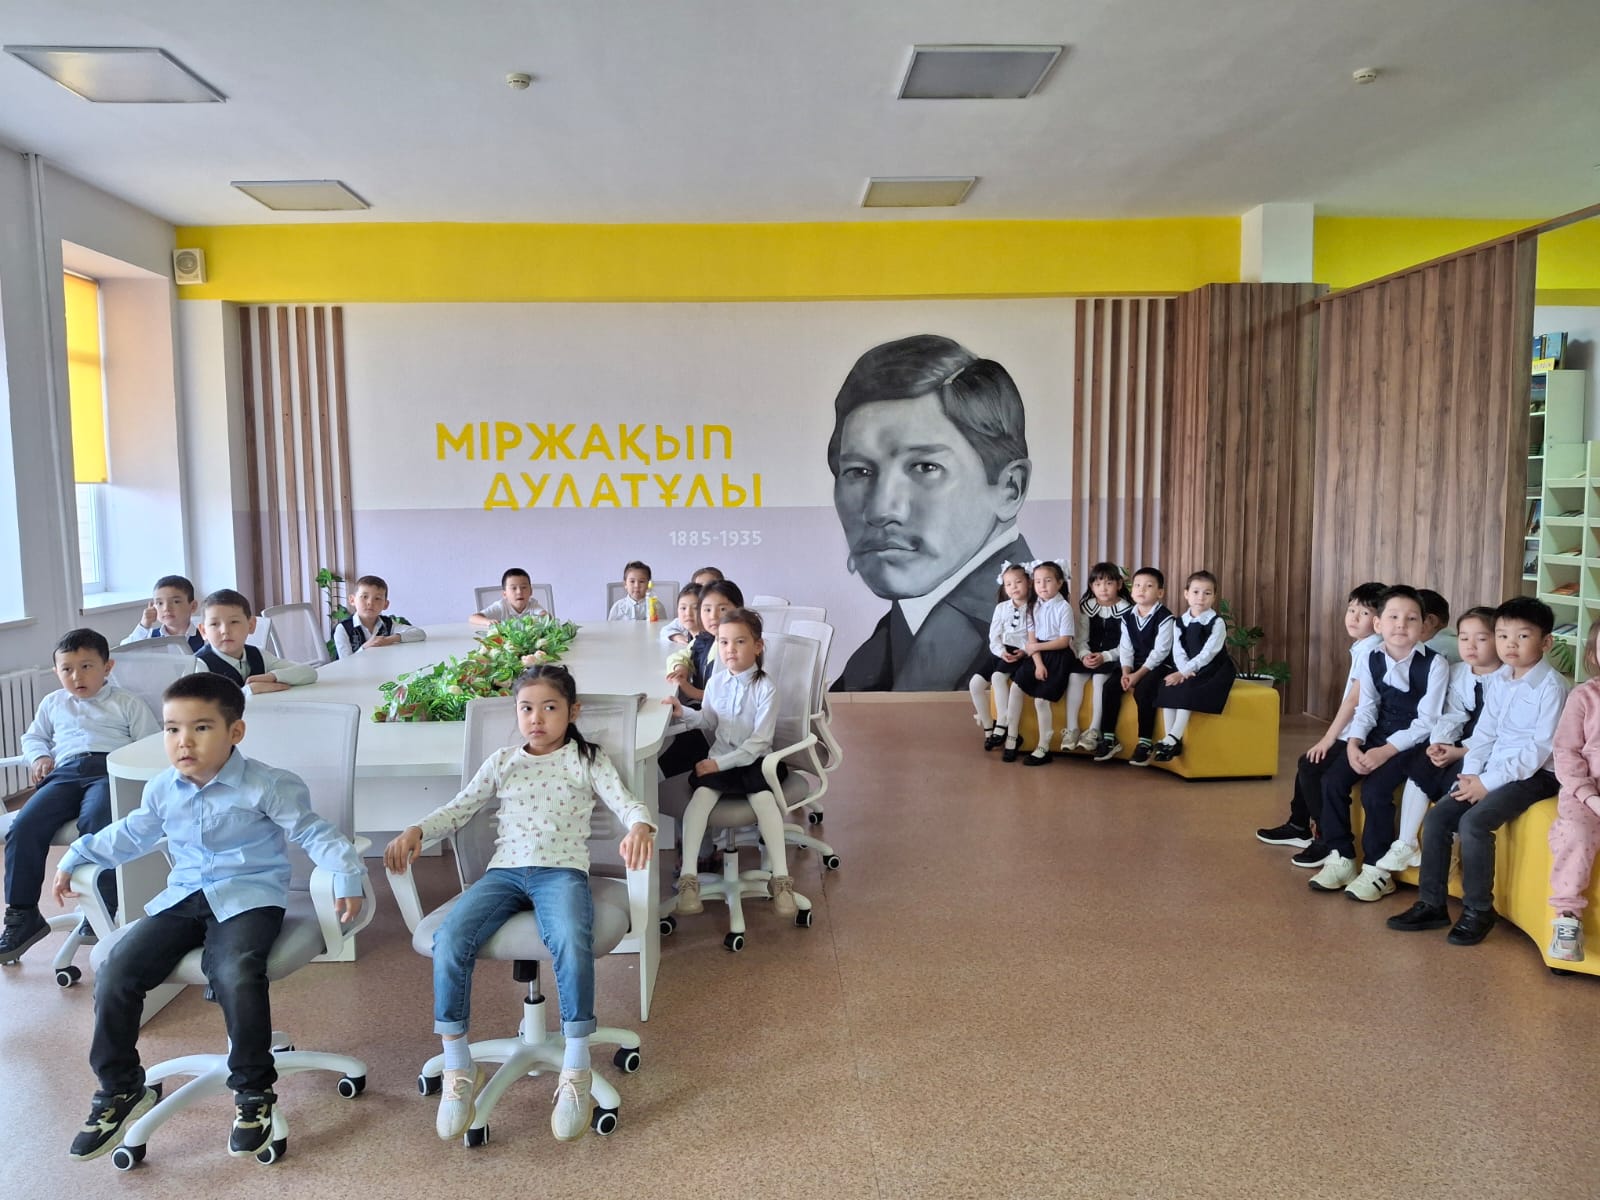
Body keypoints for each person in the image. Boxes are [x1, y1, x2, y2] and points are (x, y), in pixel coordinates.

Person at [53, 673, 366, 1161]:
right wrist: (78, 853)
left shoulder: (267, 784)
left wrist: (346, 874)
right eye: (172, 729)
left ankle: (253, 1091)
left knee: (235, 971)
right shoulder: (163, 788)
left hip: (249, 897)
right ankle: (120, 1087)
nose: (183, 741)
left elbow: (315, 833)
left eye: (200, 728)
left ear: (234, 732)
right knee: (116, 970)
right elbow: (130, 834)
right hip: (182, 898)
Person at [383, 665, 655, 1144]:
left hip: (560, 872)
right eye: (526, 708)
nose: (536, 718)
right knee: (452, 939)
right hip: (504, 874)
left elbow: (626, 802)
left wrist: (640, 826)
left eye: (549, 708)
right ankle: (459, 1068)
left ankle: (576, 1069)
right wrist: (417, 829)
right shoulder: (503, 760)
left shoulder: (586, 759)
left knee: (571, 939)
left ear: (572, 712)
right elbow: (459, 808)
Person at [828, 334, 1032, 692]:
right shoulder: (893, 633)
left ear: (1009, 487)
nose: (881, 510)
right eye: (859, 471)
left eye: (925, 467)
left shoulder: (1022, 631)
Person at [1386, 597, 1565, 941]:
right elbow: (1484, 735)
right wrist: (1470, 775)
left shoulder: (1552, 688)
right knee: (1438, 818)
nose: (1510, 645)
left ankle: (1479, 910)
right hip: (1493, 768)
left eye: (1523, 636)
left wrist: (1487, 783)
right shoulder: (1501, 680)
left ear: (1546, 642)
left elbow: (1537, 751)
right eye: (1503, 636)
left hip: (1536, 775)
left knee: (1474, 823)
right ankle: (1432, 904)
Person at [0, 630, 158, 964]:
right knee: (24, 826)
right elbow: (33, 737)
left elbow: (150, 743)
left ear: (107, 667)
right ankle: (22, 914)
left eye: (86, 666)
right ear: (56, 672)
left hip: (107, 769)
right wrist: (39, 756)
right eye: (67, 669)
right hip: (64, 773)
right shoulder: (53, 703)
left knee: (97, 820)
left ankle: (101, 904)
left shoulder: (126, 703)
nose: (76, 676)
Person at [1309, 585, 1448, 901]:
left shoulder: (1435, 664)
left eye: (1411, 618)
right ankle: (1342, 857)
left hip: (1412, 742)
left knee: (1375, 791)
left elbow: (1427, 722)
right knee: (1331, 780)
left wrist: (1385, 751)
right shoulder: (1371, 657)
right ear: (1378, 624)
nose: (1401, 625)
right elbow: (1367, 707)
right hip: (1375, 734)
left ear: (1423, 625)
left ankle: (1377, 870)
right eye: (1393, 617)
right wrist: (1354, 743)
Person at [663, 608, 796, 918]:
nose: (730, 649)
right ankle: (689, 878)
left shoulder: (766, 687)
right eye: (723, 642)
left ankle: (781, 879)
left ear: (758, 646)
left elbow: (759, 742)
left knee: (765, 802)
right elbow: (709, 720)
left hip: (754, 761)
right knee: (700, 800)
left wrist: (719, 765)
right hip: (721, 757)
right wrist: (684, 713)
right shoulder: (717, 682)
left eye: (739, 642)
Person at [1255, 581, 1385, 864]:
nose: (1353, 617)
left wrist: (1329, 737)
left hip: (1362, 733)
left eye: (1364, 613)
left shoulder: (1373, 650)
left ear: (1378, 621)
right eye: (1351, 610)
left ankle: (1326, 838)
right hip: (1353, 729)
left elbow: (1353, 702)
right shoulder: (1363, 646)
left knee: (1311, 765)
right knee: (1308, 760)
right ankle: (1298, 825)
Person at [1373, 606, 1499, 873]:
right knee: (1422, 767)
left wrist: (1461, 752)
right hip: (1461, 742)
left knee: (1459, 781)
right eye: (1464, 638)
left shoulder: (1507, 679)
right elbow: (1452, 715)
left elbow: (1498, 731)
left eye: (1481, 638)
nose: (1471, 646)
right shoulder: (1459, 672)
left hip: (1491, 749)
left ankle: (1449, 854)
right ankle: (1406, 843)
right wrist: (1440, 743)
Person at [1547, 621, 1600, 963]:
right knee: (1578, 834)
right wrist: (1589, 796)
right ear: (1594, 654)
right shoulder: (1584, 696)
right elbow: (1566, 752)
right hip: (1585, 792)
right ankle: (1567, 918)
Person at [1151, 571, 1236, 763]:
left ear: (1214, 596)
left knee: (1188, 689)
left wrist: (1185, 673)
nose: (1201, 597)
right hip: (1186, 666)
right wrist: (1181, 671)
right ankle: (1170, 741)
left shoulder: (1217, 622)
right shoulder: (1180, 622)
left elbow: (1209, 653)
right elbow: (1178, 650)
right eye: (1196, 592)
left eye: (1207, 593)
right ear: (1186, 594)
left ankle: (1173, 737)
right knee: (1168, 686)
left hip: (1213, 669)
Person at [189, 589, 317, 694]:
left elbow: (309, 672)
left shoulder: (258, 655)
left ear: (251, 625)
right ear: (203, 631)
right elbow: (201, 705)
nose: (225, 631)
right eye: (214, 624)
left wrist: (272, 677)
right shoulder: (198, 664)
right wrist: (248, 691)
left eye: (234, 622)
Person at [1011, 560, 1076, 766]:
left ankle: (1043, 746)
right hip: (1038, 655)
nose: (1042, 586)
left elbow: (1064, 641)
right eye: (1038, 581)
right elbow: (1032, 639)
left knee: (1041, 701)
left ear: (1059, 583)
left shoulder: (1064, 607)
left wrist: (1036, 648)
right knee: (1016, 687)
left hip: (1058, 656)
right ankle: (1011, 736)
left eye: (1048, 581)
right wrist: (1038, 663)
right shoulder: (1033, 606)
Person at [1067, 562, 1132, 761]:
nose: (1103, 588)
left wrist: (1105, 656)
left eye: (1109, 583)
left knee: (1099, 680)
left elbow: (1127, 645)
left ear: (1119, 585)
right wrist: (1084, 655)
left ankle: (1094, 731)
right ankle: (1071, 729)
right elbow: (1081, 638)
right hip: (1089, 655)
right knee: (1074, 677)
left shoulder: (1127, 610)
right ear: (1091, 586)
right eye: (1097, 584)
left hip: (1113, 657)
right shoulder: (1087, 606)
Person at [968, 562, 1033, 751]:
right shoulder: (1001, 608)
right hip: (1000, 651)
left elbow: (1036, 636)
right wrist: (1001, 652)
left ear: (1029, 582)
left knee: (998, 678)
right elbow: (993, 636)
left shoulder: (1034, 607)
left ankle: (1002, 723)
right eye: (1008, 584)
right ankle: (989, 727)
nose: (1013, 587)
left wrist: (1024, 651)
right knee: (975, 684)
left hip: (1020, 653)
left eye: (1018, 582)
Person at [1117, 567, 1177, 767]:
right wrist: (1126, 672)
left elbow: (1160, 652)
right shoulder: (1127, 616)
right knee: (1110, 687)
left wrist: (1137, 676)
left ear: (1160, 592)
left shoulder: (1165, 618)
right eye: (1137, 585)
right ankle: (1107, 738)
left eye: (1149, 586)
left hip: (1159, 665)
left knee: (1143, 690)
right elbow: (1125, 648)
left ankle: (1144, 742)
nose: (1141, 590)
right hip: (1134, 665)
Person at [332, 574, 426, 659]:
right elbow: (345, 662)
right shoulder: (343, 629)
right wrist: (365, 647)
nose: (370, 602)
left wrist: (389, 639)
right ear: (352, 600)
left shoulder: (387, 624)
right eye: (364, 597)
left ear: (385, 604)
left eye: (377, 598)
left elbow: (419, 633)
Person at [122, 575, 203, 651]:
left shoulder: (205, 636)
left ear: (193, 606)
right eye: (160, 603)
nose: (166, 608)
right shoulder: (150, 636)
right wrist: (144, 626)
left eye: (176, 602)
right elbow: (123, 650)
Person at [470, 568, 548, 626]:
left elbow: (545, 615)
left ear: (531, 591)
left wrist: (544, 616)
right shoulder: (501, 606)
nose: (519, 592)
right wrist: (487, 621)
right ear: (505, 594)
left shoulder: (532, 604)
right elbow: (473, 618)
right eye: (513, 588)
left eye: (524, 587)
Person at [1419, 588, 1461, 663]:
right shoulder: (1460, 644)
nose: (1401, 625)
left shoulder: (1429, 650)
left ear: (1431, 620)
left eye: (1411, 619)